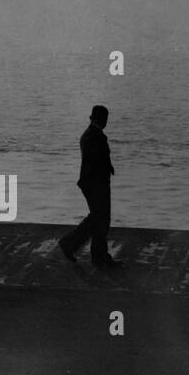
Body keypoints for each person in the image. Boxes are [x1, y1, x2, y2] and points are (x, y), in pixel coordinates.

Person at [58, 105, 124, 269]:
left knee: (99, 219)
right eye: (105, 118)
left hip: (94, 183)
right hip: (95, 184)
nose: (106, 122)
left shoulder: (91, 135)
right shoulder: (93, 136)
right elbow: (96, 161)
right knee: (99, 218)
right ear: (100, 119)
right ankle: (73, 244)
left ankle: (97, 256)